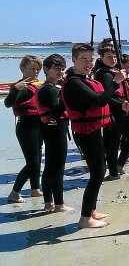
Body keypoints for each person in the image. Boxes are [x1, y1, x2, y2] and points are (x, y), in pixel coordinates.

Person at [62, 43, 127, 229]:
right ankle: (84, 219)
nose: (88, 63)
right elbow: (99, 101)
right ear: (73, 59)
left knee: (100, 170)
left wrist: (121, 104)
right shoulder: (74, 83)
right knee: (97, 173)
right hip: (85, 133)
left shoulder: (83, 79)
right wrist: (116, 81)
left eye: (91, 59)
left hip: (93, 130)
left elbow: (104, 98)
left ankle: (92, 211)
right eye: (83, 59)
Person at [34, 54, 72, 212]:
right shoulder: (49, 90)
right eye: (56, 68)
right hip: (55, 130)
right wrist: (67, 93)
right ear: (46, 69)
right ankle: (59, 204)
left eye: (62, 68)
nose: (60, 71)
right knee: (57, 167)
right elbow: (56, 112)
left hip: (50, 129)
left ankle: (48, 202)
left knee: (50, 166)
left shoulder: (49, 88)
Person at [4, 55, 43, 203]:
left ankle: (35, 189)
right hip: (26, 128)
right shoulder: (20, 86)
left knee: (38, 159)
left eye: (38, 69)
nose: (36, 72)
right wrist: (14, 90)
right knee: (32, 162)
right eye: (32, 68)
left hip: (37, 126)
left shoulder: (33, 85)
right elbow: (8, 103)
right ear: (23, 68)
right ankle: (14, 193)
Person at [95, 45, 129, 180]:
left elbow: (125, 91)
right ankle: (113, 172)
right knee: (112, 143)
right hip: (112, 113)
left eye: (114, 56)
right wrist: (122, 104)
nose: (113, 59)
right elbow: (108, 96)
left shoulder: (117, 71)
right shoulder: (103, 74)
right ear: (101, 58)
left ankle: (120, 163)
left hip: (125, 110)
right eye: (108, 56)